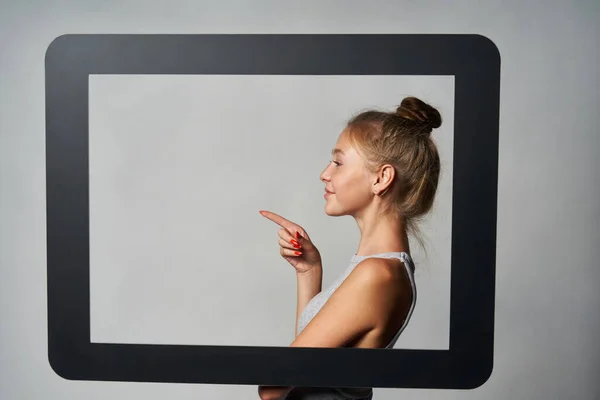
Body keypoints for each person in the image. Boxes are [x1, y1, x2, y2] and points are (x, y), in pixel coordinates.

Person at [257, 96, 443, 400]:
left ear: (381, 178)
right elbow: (310, 369)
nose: (325, 173)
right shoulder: (380, 268)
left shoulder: (376, 275)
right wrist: (309, 271)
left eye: (338, 162)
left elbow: (274, 387)